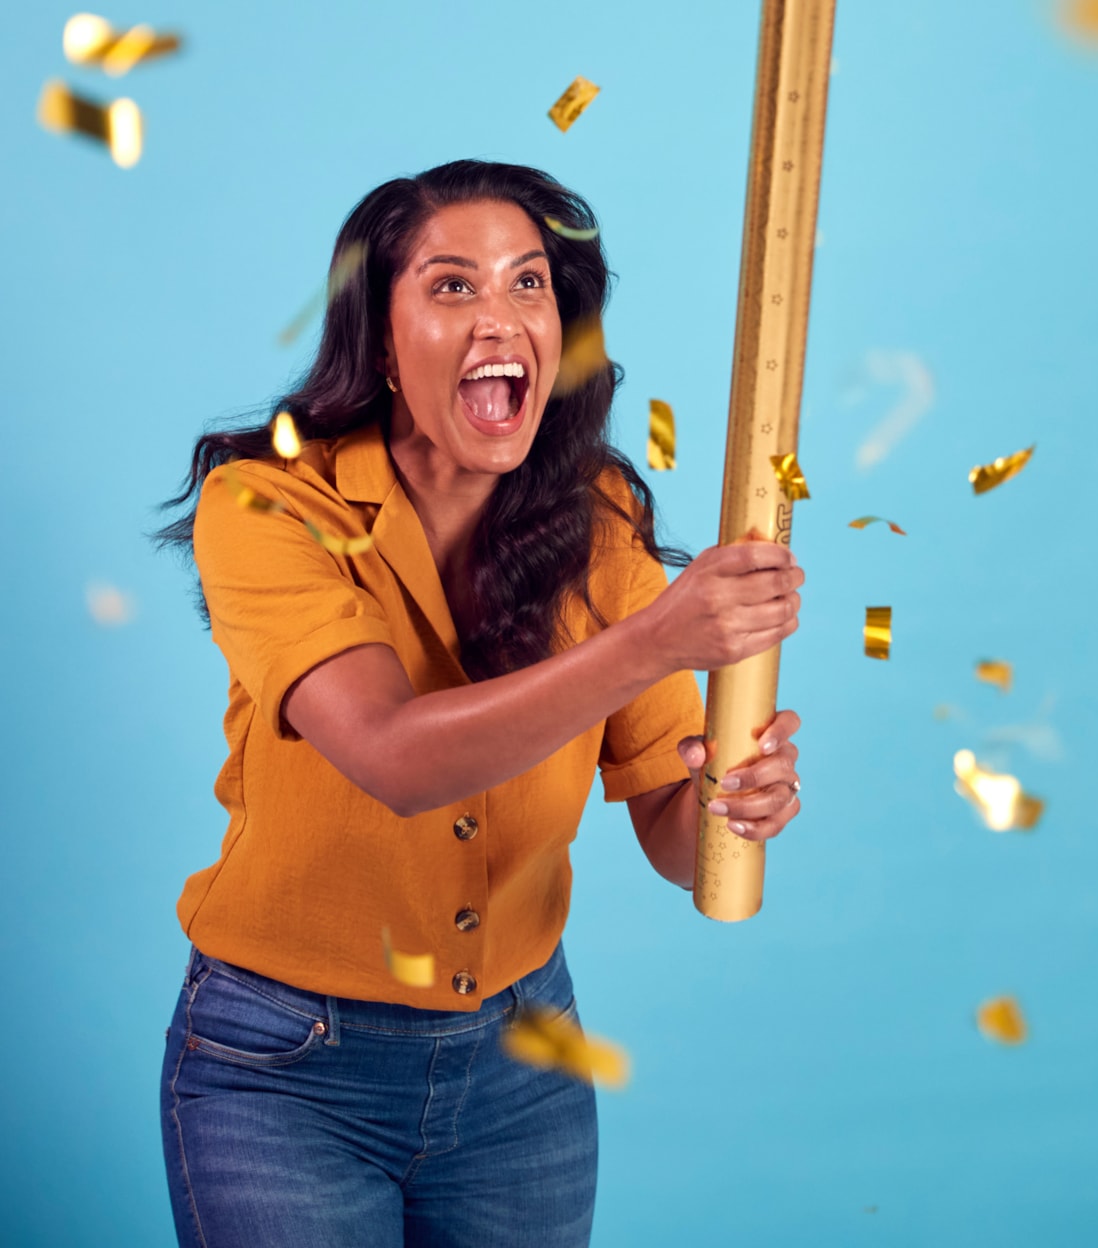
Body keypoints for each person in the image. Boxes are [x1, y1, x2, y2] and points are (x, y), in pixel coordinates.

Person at [156, 159, 804, 1248]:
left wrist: (735, 804)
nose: (497, 316)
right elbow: (393, 757)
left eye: (529, 284)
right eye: (451, 286)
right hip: (285, 1070)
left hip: (521, 1068)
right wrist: (654, 642)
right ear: (378, 341)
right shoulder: (266, 503)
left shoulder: (599, 523)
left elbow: (668, 824)